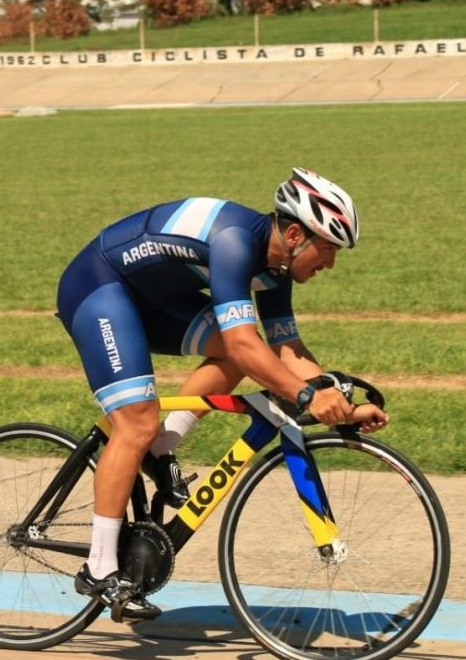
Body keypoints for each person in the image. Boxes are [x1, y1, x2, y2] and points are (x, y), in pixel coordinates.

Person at [55, 168, 390, 620]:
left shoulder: (276, 270)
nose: (330, 263)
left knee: (243, 358)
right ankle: (99, 568)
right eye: (328, 248)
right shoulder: (236, 241)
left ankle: (161, 448)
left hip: (150, 302)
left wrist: (342, 404)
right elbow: (244, 344)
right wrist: (307, 397)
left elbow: (286, 351)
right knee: (137, 421)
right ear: (294, 234)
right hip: (99, 288)